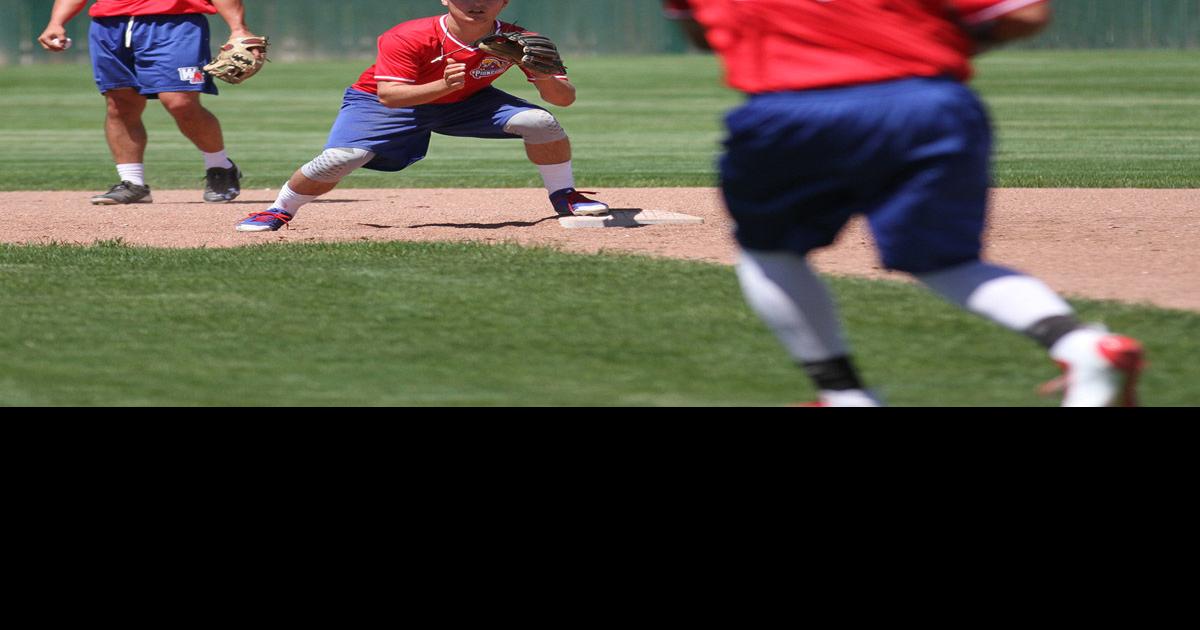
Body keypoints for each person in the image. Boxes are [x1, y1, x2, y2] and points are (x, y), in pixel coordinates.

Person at [665, 0, 1146, 407]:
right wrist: (924, 43)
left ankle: (843, 394)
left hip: (792, 110)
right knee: (947, 262)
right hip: (926, 102)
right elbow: (1025, 14)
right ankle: (1080, 344)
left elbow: (700, 32)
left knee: (769, 251)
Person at [234, 0, 608, 233]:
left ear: (504, 2)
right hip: (379, 103)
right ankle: (278, 211)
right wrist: (442, 88)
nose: (476, 3)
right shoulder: (409, 36)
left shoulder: (519, 40)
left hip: (468, 102)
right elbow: (390, 95)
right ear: (446, 0)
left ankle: (565, 195)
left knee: (539, 122)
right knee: (342, 158)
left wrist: (541, 71)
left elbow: (564, 100)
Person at [37, 0, 261, 205]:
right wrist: (57, 21)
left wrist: (238, 28)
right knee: (119, 103)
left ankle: (220, 166)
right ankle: (133, 183)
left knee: (179, 101)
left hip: (174, 22)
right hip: (109, 25)